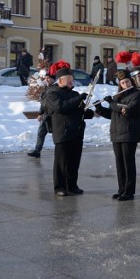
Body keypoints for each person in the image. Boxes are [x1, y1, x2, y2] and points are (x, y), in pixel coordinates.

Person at [45, 63, 94, 196]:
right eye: (69, 80)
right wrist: (78, 99)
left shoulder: (74, 93)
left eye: (72, 80)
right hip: (62, 132)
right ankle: (59, 187)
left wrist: (89, 110)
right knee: (61, 162)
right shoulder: (52, 94)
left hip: (76, 131)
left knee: (74, 161)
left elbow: (81, 110)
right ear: (60, 81)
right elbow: (61, 107)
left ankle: (72, 185)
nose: (72, 82)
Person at [94, 70, 140, 201]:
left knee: (128, 162)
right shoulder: (118, 97)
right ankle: (121, 189)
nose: (125, 84)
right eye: (122, 83)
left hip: (129, 132)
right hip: (116, 132)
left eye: (127, 81)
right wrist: (100, 108)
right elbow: (113, 114)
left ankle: (129, 191)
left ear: (131, 81)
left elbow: (128, 111)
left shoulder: (137, 95)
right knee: (119, 162)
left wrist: (112, 103)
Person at [27, 69, 55, 158]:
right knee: (41, 133)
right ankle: (37, 151)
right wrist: (40, 113)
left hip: (53, 115)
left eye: (49, 78)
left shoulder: (56, 88)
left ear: (53, 79)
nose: (47, 80)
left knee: (57, 134)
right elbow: (43, 103)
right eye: (46, 78)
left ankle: (62, 151)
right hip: (45, 115)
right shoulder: (46, 89)